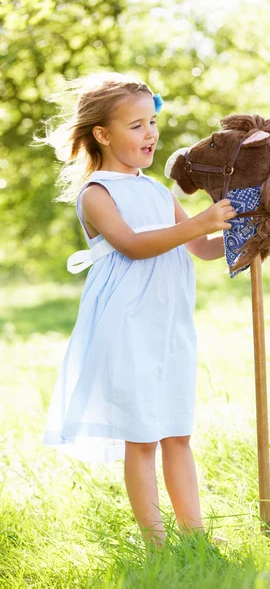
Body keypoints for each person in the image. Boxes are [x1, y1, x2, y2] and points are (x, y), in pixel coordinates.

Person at [40, 72, 236, 549]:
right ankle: (157, 545)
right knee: (143, 437)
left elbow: (202, 249)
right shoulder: (97, 192)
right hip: (127, 325)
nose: (150, 134)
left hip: (170, 327)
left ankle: (196, 538)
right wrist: (201, 223)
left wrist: (245, 237)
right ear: (103, 135)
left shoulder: (155, 191)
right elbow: (132, 246)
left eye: (152, 121)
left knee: (176, 430)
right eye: (136, 125)